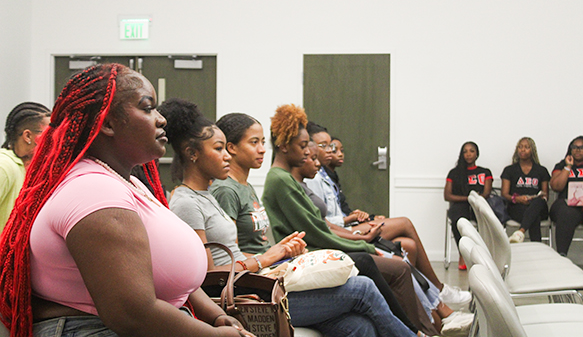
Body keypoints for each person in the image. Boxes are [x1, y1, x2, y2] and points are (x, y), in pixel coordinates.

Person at [0, 63, 254, 337]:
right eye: (147, 108)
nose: (161, 119)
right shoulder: (93, 190)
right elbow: (131, 313)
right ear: (108, 123)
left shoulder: (125, 182)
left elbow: (171, 275)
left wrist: (215, 315)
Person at [158, 99, 421, 337]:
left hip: (259, 280)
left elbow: (240, 251)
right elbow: (206, 276)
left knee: (359, 326)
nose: (227, 154)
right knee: (362, 288)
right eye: (219, 148)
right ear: (193, 154)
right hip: (246, 296)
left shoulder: (208, 195)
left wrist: (278, 255)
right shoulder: (188, 202)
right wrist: (265, 259)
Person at [211, 112, 447, 336]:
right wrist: (274, 255)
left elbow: (313, 226)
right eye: (254, 142)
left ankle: (429, 318)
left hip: (273, 273)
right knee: (364, 285)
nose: (263, 149)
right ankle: (419, 331)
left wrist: (284, 250)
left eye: (263, 141)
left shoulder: (246, 187)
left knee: (360, 325)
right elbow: (232, 257)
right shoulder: (228, 190)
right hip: (260, 289)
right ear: (232, 148)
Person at [263, 104, 473, 337]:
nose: (307, 152)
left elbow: (319, 226)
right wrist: (363, 243)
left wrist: (359, 238)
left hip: (314, 248)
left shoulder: (284, 179)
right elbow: (315, 232)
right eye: (303, 146)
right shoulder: (280, 180)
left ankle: (424, 326)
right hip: (309, 254)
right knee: (389, 266)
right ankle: (420, 330)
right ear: (283, 146)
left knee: (389, 263)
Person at [304, 122, 470, 309]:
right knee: (405, 223)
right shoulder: (313, 178)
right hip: (343, 229)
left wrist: (362, 216)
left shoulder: (326, 175)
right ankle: (439, 291)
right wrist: (349, 220)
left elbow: (336, 211)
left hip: (346, 225)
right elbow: (324, 222)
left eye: (331, 146)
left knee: (409, 245)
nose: (331, 151)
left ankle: (422, 309)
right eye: (323, 146)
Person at [549, 136, 583, 275]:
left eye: (581, 147)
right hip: (566, 205)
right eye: (574, 147)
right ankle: (562, 257)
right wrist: (568, 167)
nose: (578, 150)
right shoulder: (561, 166)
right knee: (568, 213)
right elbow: (556, 187)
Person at [0, 102, 50, 231]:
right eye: (48, 134)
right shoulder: (4, 166)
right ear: (28, 136)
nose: (54, 139)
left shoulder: (28, 169)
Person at [443, 141, 492, 270]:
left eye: (472, 151)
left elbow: (486, 193)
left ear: (477, 154)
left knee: (486, 217)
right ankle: (463, 253)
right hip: (461, 205)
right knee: (458, 218)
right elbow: (447, 195)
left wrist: (474, 200)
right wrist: (467, 198)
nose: (468, 154)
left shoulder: (485, 172)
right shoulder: (454, 173)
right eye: (465, 151)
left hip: (478, 205)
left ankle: (482, 254)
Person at [500, 137, 550, 243]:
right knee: (533, 216)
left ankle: (520, 232)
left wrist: (534, 198)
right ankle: (537, 249)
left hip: (538, 206)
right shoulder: (509, 170)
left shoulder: (541, 170)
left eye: (527, 147)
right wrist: (517, 199)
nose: (523, 150)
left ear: (532, 150)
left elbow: (545, 196)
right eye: (520, 147)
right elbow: (504, 194)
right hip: (517, 206)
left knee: (537, 203)